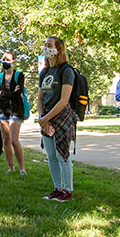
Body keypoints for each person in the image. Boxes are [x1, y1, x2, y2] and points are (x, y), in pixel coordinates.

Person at [39, 37, 78, 201]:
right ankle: (57, 188)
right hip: (46, 118)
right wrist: (42, 117)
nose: (46, 49)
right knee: (51, 156)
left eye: (50, 46)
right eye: (45, 46)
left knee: (62, 155)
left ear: (59, 49)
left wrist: (47, 118)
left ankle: (67, 191)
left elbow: (64, 100)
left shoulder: (66, 71)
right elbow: (40, 98)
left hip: (61, 117)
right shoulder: (45, 72)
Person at [0, 50, 28, 174]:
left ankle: (22, 168)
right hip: (2, 110)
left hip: (16, 110)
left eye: (8, 59)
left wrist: (3, 94)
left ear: (14, 62)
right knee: (5, 139)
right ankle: (11, 167)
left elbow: (18, 94)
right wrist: (10, 93)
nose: (5, 62)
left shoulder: (19, 75)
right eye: (3, 59)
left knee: (14, 140)